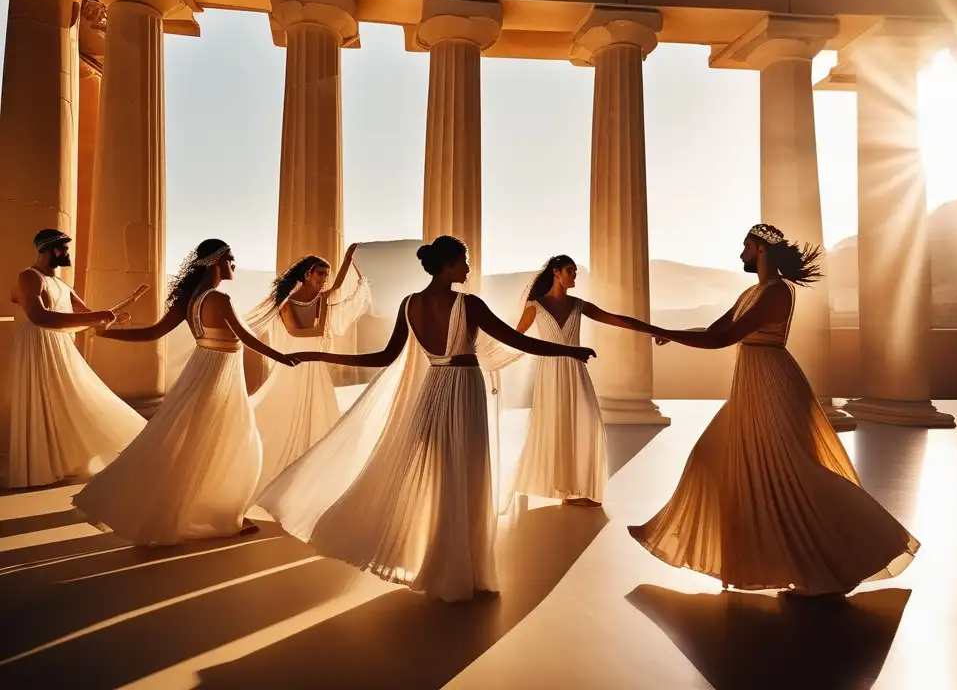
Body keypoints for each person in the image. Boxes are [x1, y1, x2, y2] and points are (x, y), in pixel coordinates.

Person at [257, 236, 596, 602]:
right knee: (468, 476)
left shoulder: (410, 304)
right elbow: (520, 342)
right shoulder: (469, 304)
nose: (468, 268)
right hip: (464, 390)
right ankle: (464, 573)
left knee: (441, 477)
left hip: (434, 389)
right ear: (449, 264)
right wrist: (570, 350)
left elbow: (383, 357)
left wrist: (322, 357)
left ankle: (444, 569)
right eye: (464, 260)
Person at [628, 224, 918, 597]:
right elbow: (717, 328)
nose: (741, 254)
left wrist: (651, 326)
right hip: (751, 383)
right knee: (712, 458)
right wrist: (670, 332)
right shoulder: (752, 292)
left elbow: (721, 340)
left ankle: (863, 548)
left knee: (790, 471)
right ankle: (767, 561)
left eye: (746, 247)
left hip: (772, 382)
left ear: (762, 249)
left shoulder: (777, 292)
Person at [72, 239, 298, 545]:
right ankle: (220, 515)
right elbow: (246, 338)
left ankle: (204, 510)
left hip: (200, 370)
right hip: (219, 375)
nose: (234, 264)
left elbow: (152, 332)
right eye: (230, 258)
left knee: (197, 440)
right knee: (231, 441)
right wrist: (282, 358)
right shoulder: (219, 299)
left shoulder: (191, 300)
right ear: (216, 261)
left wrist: (107, 333)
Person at [511, 254, 664, 508]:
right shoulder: (535, 306)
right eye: (570, 271)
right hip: (550, 373)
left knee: (584, 424)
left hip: (576, 370)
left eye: (575, 272)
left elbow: (617, 319)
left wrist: (653, 330)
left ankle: (574, 488)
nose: (574, 276)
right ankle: (565, 490)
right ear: (556, 272)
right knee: (556, 426)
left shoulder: (578, 305)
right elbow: (516, 338)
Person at [7, 229, 147, 488]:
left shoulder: (62, 285)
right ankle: (40, 468)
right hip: (36, 348)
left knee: (75, 399)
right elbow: (40, 317)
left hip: (60, 349)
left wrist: (109, 318)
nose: (67, 253)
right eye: (63, 248)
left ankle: (73, 461)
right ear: (48, 249)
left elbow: (85, 316)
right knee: (42, 401)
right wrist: (99, 316)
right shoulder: (29, 276)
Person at [246, 244, 371, 493]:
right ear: (307, 275)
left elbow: (337, 288)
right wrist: (322, 321)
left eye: (326, 274)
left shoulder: (323, 298)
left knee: (320, 411)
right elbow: (296, 332)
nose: (325, 280)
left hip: (315, 364)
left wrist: (348, 256)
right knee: (283, 411)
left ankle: (315, 472)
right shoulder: (285, 302)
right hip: (294, 362)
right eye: (321, 274)